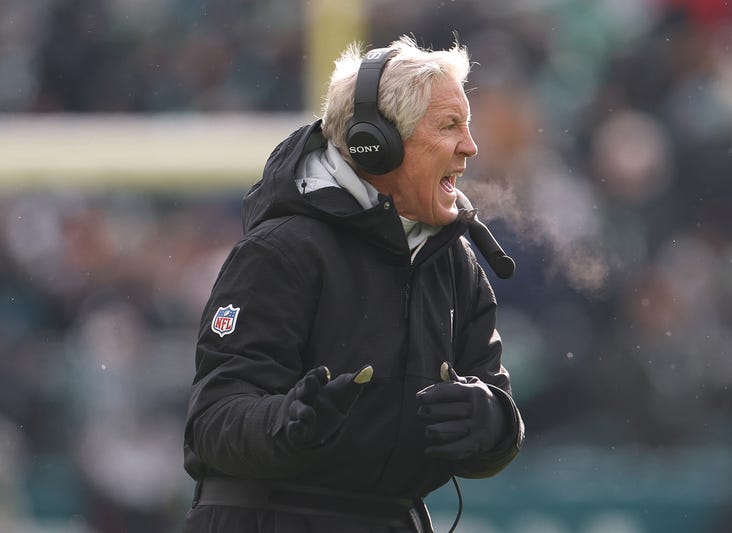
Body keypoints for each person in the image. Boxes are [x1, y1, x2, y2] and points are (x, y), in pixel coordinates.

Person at [181, 35, 524, 533]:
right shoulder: (281, 250)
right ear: (376, 146)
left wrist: (493, 423)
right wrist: (290, 421)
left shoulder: (457, 263)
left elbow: (496, 402)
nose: (470, 147)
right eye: (450, 126)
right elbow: (212, 421)